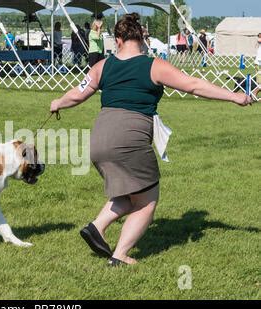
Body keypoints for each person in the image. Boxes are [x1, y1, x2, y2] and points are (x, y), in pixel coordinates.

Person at [49, 13, 253, 266]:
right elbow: (193, 84)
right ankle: (120, 255)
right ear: (142, 39)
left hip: (99, 140)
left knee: (130, 191)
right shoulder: (153, 65)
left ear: (118, 39)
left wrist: (57, 103)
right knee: (147, 200)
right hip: (129, 139)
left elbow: (78, 94)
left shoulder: (102, 66)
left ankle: (96, 227)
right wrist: (234, 96)